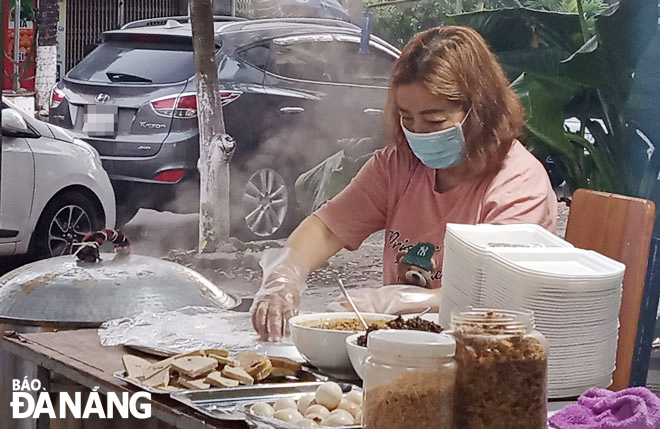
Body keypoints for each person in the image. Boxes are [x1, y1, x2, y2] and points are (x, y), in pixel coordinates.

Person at [251, 26, 558, 342]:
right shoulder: (398, 165)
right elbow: (328, 228)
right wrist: (284, 276)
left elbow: (494, 299)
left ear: (479, 110)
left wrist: (392, 302)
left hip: (482, 355)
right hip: (402, 350)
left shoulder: (519, 186)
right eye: (407, 119)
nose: (419, 133)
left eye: (435, 120)